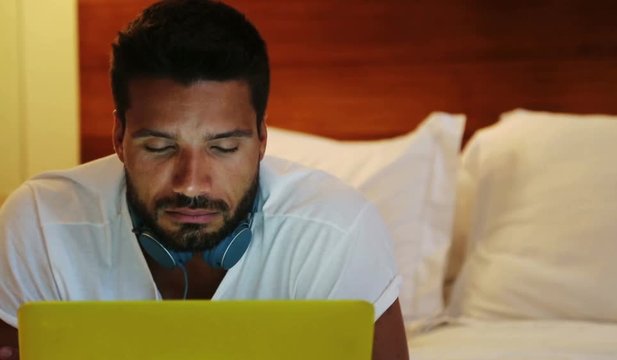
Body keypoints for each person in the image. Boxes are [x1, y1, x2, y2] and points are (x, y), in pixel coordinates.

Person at [0, 0, 408, 358]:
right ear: (119, 138)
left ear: (262, 140)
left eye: (224, 148)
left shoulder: (336, 232)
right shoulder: (40, 224)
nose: (191, 184)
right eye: (159, 147)